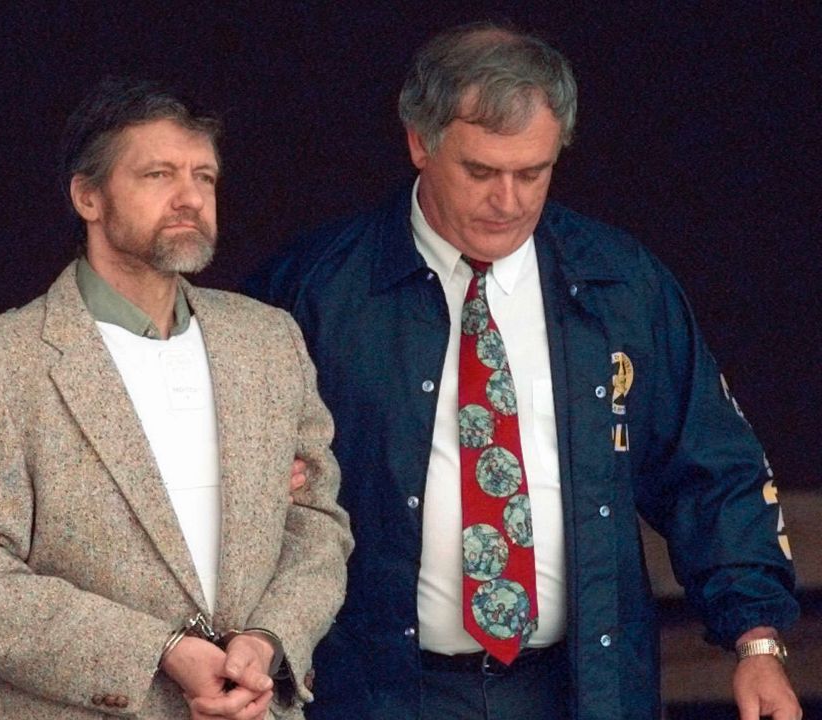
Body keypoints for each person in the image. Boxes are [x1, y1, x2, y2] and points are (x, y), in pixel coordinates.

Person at [247, 22, 800, 720]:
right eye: (480, 172)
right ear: (420, 142)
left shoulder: (620, 284)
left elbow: (712, 467)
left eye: (531, 173)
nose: (508, 201)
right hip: (378, 690)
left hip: (581, 688)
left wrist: (756, 642)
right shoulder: (313, 292)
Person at [0, 77, 354, 720]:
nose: (190, 197)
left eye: (204, 176)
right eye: (158, 175)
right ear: (88, 196)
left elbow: (318, 521)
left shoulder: (270, 341)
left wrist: (269, 641)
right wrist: (158, 651)